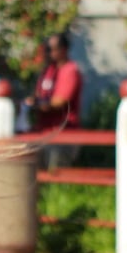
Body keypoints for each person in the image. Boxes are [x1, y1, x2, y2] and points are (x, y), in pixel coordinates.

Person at [23, 32, 83, 168]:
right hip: (42, 132)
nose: (48, 53)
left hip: (62, 134)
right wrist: (31, 102)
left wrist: (38, 105)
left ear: (63, 49)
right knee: (37, 177)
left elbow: (60, 102)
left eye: (51, 49)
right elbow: (38, 96)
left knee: (56, 176)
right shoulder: (48, 70)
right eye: (46, 49)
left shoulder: (70, 70)